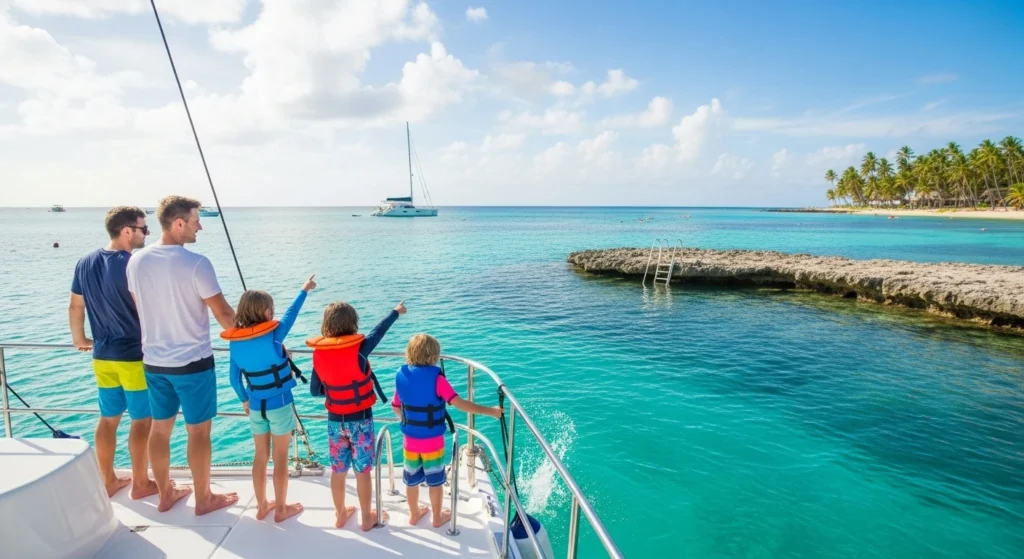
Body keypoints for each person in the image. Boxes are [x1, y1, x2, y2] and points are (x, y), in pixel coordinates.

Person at [126, 195, 238, 515]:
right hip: (193, 363)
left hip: (154, 362)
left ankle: (164, 495)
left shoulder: (136, 261)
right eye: (195, 220)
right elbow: (225, 315)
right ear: (178, 224)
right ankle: (204, 499)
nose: (199, 226)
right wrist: (255, 339)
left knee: (159, 429)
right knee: (199, 431)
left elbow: (140, 307)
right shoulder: (196, 263)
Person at [69, 206, 157, 499]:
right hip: (133, 356)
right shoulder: (133, 264)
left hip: (102, 356)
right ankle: (141, 483)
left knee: (108, 419)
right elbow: (147, 309)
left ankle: (107, 480)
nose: (147, 234)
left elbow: (76, 306)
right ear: (126, 231)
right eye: (144, 229)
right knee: (142, 420)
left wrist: (80, 338)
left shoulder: (85, 262)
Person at [222, 275, 317, 523]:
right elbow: (291, 315)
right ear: (265, 311)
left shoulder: (235, 343)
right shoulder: (274, 335)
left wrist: (244, 398)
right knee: (281, 459)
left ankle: (262, 505)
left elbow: (234, 380)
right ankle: (281, 509)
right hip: (280, 404)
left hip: (256, 406)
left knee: (260, 457)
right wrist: (304, 289)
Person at [308, 299, 406, 531]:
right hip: (360, 419)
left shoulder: (320, 354)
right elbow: (377, 332)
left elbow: (314, 390)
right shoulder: (360, 351)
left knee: (338, 470)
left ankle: (340, 514)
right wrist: (395, 312)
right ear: (353, 324)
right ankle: (365, 518)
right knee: (362, 472)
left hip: (335, 422)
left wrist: (332, 388)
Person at [392, 333, 501, 528]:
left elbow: (395, 406)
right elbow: (460, 404)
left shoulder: (401, 376)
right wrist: (491, 411)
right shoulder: (438, 379)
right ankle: (436, 517)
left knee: (411, 480)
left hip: (409, 439)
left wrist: (408, 422)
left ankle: (414, 513)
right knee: (435, 482)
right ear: (434, 356)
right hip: (432, 441)